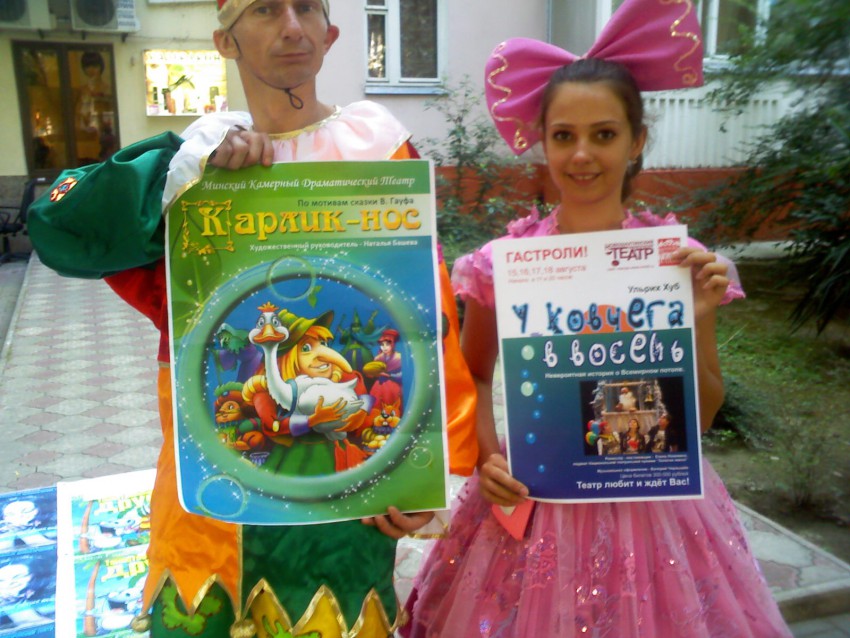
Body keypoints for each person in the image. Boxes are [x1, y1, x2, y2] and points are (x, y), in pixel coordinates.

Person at [27, 1, 478, 636]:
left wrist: (433, 474)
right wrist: (179, 171)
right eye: (265, 8)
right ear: (225, 41)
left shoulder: (377, 149)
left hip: (343, 515)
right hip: (207, 509)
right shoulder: (196, 159)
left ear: (330, 34)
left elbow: (428, 320)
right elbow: (59, 228)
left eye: (306, 8)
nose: (291, 26)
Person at [401, 1, 793, 636]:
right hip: (535, 498)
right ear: (543, 141)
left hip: (653, 509)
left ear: (637, 141)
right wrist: (487, 459)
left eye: (604, 134)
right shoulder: (503, 265)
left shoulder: (678, 266)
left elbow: (701, 417)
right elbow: (472, 378)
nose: (582, 154)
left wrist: (693, 320)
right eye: (564, 135)